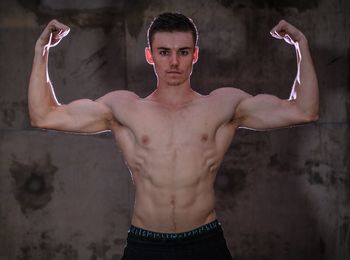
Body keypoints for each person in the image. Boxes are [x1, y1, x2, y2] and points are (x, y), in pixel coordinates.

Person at [28, 12, 319, 260]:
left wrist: (301, 45)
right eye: (164, 52)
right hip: (146, 244)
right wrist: (42, 49)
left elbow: (304, 110)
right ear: (150, 55)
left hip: (204, 242)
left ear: (194, 55)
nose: (174, 62)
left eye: (182, 52)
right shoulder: (124, 107)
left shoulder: (223, 105)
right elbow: (45, 115)